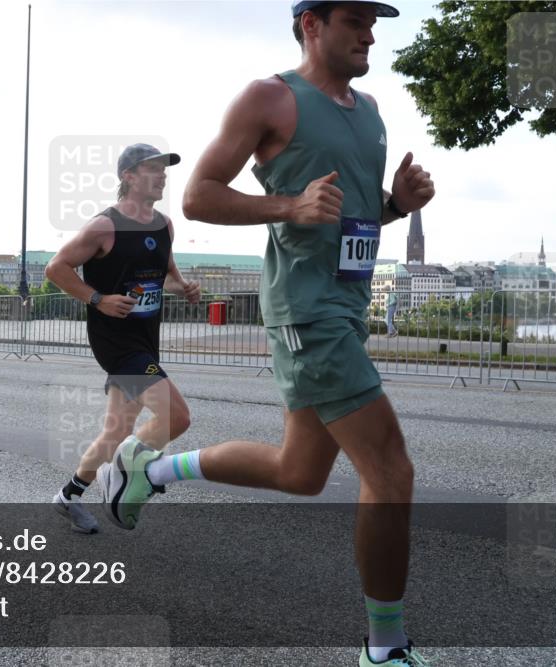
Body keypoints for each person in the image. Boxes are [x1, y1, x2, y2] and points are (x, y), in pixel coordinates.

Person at [102, 3, 436, 665]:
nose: (370, 32)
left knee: (300, 471)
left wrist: (396, 203)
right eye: (355, 19)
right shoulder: (270, 98)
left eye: (375, 21)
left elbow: (351, 218)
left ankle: (150, 466)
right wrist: (289, 204)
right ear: (312, 25)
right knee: (390, 469)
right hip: (308, 315)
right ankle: (385, 647)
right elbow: (197, 194)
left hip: (344, 306)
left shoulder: (369, 110)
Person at [46, 143, 201, 534]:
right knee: (176, 416)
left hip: (146, 338)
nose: (162, 175)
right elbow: (56, 267)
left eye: (164, 170)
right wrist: (97, 298)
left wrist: (182, 287)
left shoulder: (164, 225)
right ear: (128, 176)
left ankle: (67, 496)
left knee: (116, 432)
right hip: (116, 343)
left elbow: (163, 273)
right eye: (153, 169)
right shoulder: (105, 226)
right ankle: (120, 472)